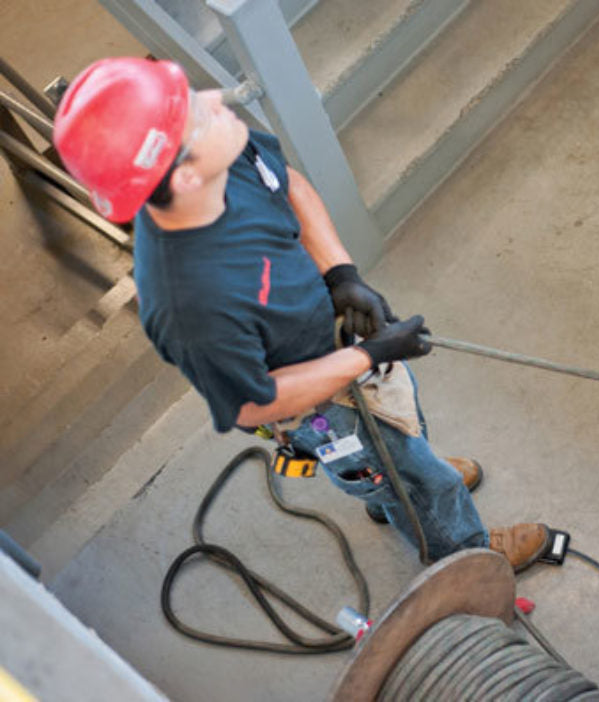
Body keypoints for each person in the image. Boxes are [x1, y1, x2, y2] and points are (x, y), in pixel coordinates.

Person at [52, 57, 549, 571]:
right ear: (183, 174)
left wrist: (341, 275)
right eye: (195, 115)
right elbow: (253, 404)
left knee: (400, 443)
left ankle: (399, 487)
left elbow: (287, 185)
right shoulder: (187, 305)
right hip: (314, 401)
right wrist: (366, 358)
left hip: (333, 340)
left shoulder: (224, 151)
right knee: (410, 474)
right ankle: (465, 551)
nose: (217, 102)